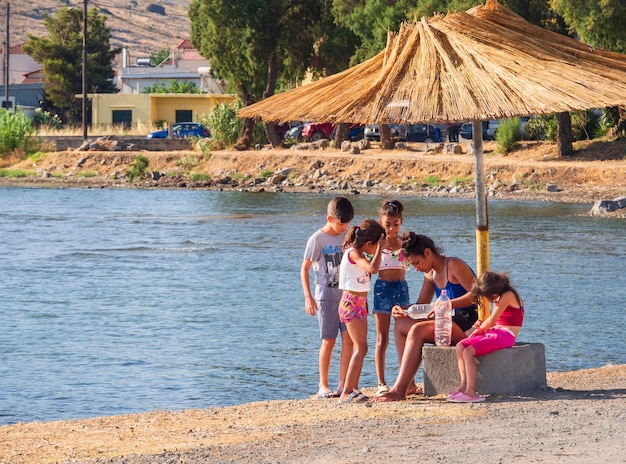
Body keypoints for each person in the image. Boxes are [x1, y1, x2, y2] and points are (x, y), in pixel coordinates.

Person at [373, 232, 478, 403]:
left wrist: (446, 304)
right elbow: (422, 304)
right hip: (447, 318)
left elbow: (477, 296)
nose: (416, 268)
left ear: (428, 253)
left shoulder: (453, 265)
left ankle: (398, 391)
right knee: (401, 324)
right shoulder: (430, 274)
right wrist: (402, 310)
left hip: (468, 321)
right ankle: (409, 385)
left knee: (418, 329)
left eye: (416, 263)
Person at [301, 196, 355, 398]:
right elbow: (304, 269)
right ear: (329, 218)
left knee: (348, 338)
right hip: (325, 295)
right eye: (342, 224)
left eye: (348, 223)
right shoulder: (317, 239)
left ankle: (343, 383)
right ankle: (323, 385)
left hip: (347, 295)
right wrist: (308, 297)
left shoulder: (348, 235)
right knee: (329, 340)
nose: (345, 227)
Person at [448, 271, 524, 403]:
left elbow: (493, 320)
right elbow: (497, 320)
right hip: (495, 331)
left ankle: (471, 392)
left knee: (468, 352)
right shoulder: (499, 296)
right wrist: (482, 325)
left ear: (493, 294)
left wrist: (480, 329)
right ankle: (464, 386)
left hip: (506, 335)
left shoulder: (508, 295)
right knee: (461, 345)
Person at [338, 219, 388, 404]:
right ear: (369, 243)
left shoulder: (360, 253)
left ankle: (353, 387)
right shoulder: (354, 253)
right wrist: (381, 248)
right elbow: (373, 269)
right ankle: (346, 391)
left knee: (361, 347)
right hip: (350, 303)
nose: (377, 250)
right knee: (360, 347)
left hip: (359, 302)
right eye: (376, 246)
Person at [372, 200, 410, 396]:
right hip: (382, 290)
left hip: (401, 289)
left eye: (395, 224)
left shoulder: (406, 243)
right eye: (387, 224)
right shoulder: (377, 243)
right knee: (382, 338)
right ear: (381, 222)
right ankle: (381, 382)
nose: (391, 228)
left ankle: (407, 382)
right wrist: (380, 247)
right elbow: (371, 268)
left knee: (405, 335)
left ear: (401, 222)